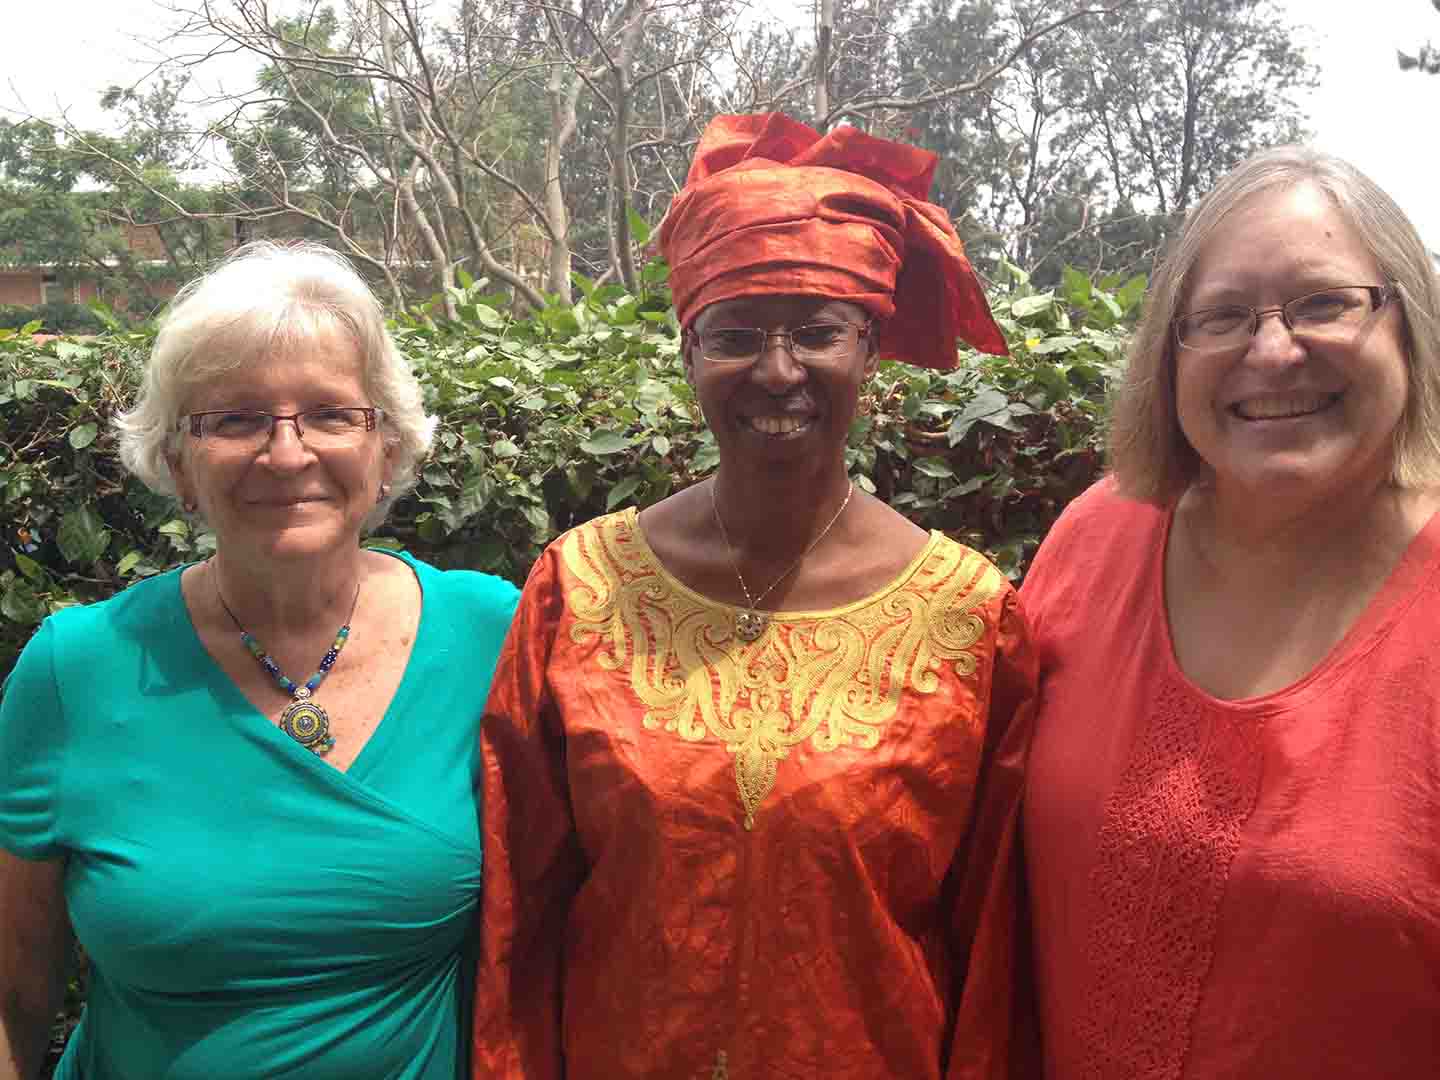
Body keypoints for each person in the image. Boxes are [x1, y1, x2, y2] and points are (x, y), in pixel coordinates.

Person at [474, 112, 1039, 1079]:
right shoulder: (581, 588)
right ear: (691, 354)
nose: (778, 372)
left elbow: (992, 941)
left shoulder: (969, 617)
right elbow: (517, 909)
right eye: (737, 336)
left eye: (817, 332)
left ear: (870, 348)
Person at [0, 240, 518, 1080]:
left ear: (386, 447)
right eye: (234, 419)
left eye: (330, 413)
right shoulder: (77, 668)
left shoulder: (491, 633)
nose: (286, 453)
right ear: (178, 461)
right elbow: (12, 997)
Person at [1020, 145, 1440, 1078]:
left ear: (1408, 324)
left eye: (1324, 303)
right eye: (1221, 318)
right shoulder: (1095, 540)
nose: (1274, 350)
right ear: (1169, 357)